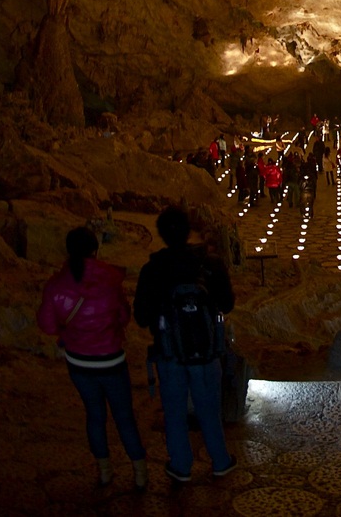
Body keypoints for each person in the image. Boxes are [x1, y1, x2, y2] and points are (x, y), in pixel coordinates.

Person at [38, 227, 148, 490]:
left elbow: (48, 325)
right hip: (111, 360)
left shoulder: (56, 285)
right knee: (124, 416)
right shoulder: (110, 280)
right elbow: (123, 316)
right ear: (95, 250)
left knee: (94, 415)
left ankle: (104, 472)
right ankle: (140, 474)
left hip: (79, 362)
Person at [134, 207, 237, 483]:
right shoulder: (210, 263)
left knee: (175, 411)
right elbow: (227, 304)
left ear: (162, 235)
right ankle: (220, 460)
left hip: (170, 355)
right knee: (209, 409)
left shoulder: (152, 269)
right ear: (189, 230)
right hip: (207, 352)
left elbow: (141, 317)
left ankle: (181, 466)